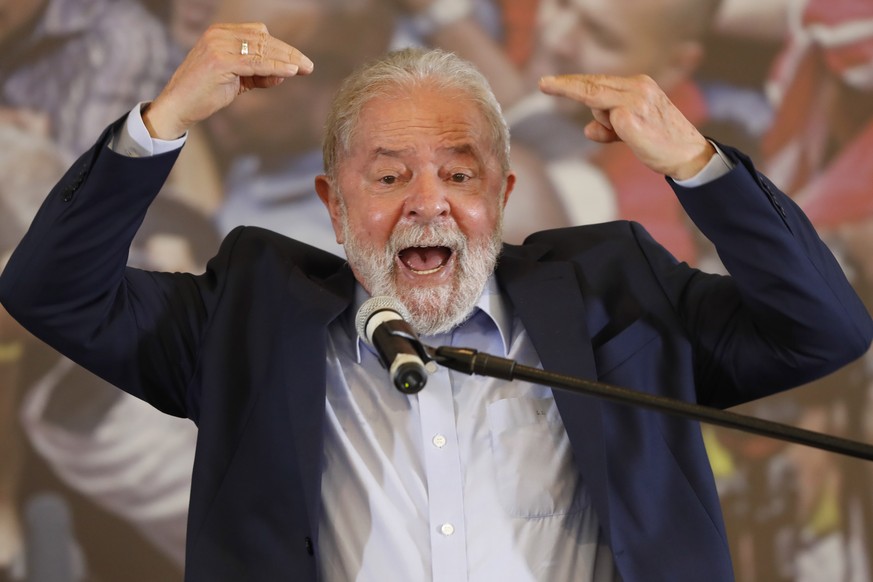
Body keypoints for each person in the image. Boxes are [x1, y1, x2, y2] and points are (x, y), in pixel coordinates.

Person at [1, 22, 871, 582]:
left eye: (460, 174)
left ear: (501, 194)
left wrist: (695, 165)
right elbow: (51, 291)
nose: (428, 201)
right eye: (386, 176)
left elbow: (822, 330)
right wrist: (162, 123)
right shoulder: (248, 318)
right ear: (333, 205)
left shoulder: (619, 299)